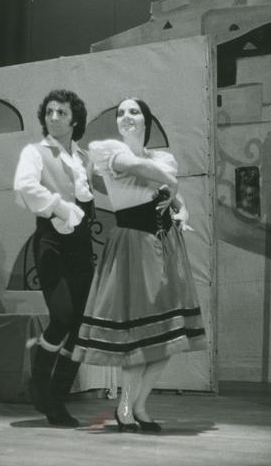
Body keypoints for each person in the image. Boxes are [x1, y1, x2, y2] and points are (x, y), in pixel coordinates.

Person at [71, 98, 207, 432]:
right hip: (134, 245)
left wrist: (182, 208)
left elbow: (169, 191)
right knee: (140, 338)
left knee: (168, 336)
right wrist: (171, 183)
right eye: (121, 113)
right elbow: (139, 169)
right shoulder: (108, 150)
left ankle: (139, 405)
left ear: (146, 119)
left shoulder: (163, 158)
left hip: (165, 245)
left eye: (134, 112)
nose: (126, 117)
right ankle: (125, 407)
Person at [13, 89, 94, 427]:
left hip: (82, 245)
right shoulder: (35, 152)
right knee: (62, 316)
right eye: (49, 112)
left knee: (82, 326)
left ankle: (56, 398)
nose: (54, 117)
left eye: (61, 112)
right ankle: (39, 384)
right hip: (51, 242)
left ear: (75, 120)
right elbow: (24, 188)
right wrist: (60, 207)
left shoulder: (85, 158)